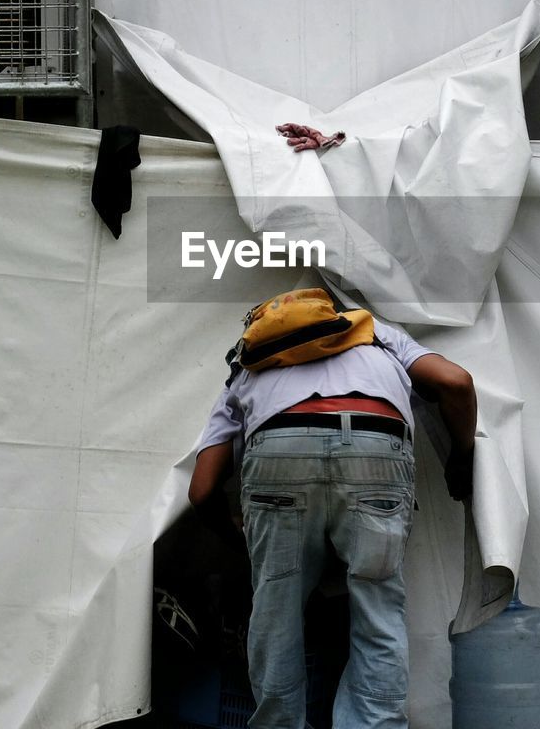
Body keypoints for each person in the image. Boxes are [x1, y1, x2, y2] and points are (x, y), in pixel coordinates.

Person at [187, 291, 477, 729]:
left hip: (278, 453)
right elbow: (456, 382)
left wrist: (241, 540)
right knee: (378, 615)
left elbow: (201, 488)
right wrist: (462, 455)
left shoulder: (248, 363)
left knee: (275, 615)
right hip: (375, 445)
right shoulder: (376, 334)